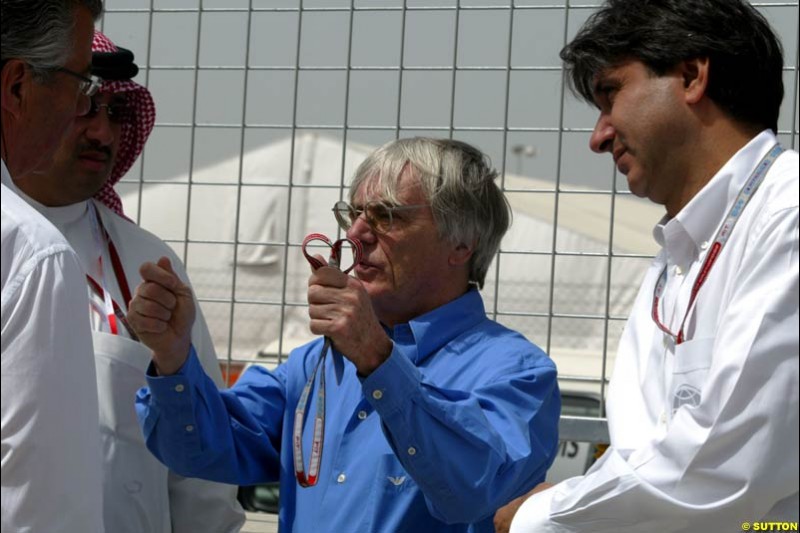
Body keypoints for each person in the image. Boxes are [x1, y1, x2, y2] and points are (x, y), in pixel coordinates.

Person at [129, 137, 561, 532]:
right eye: (352, 213)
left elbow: (472, 487)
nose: (354, 234)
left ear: (461, 243)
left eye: (387, 216)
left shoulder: (517, 372)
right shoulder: (318, 364)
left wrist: (376, 357)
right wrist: (171, 355)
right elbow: (196, 451)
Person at [509, 0, 799, 531]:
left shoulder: (788, 217)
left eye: (610, 94)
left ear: (691, 76)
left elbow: (728, 467)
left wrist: (540, 516)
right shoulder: (676, 257)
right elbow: (638, 451)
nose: (598, 137)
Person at [8, 30, 246, 533]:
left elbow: (201, 463)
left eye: (116, 114)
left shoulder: (148, 264)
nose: (103, 134)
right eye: (85, 108)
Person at [1, 1, 106, 532]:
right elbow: (42, 513)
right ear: (18, 86)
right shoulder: (30, 254)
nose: (81, 112)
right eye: (80, 82)